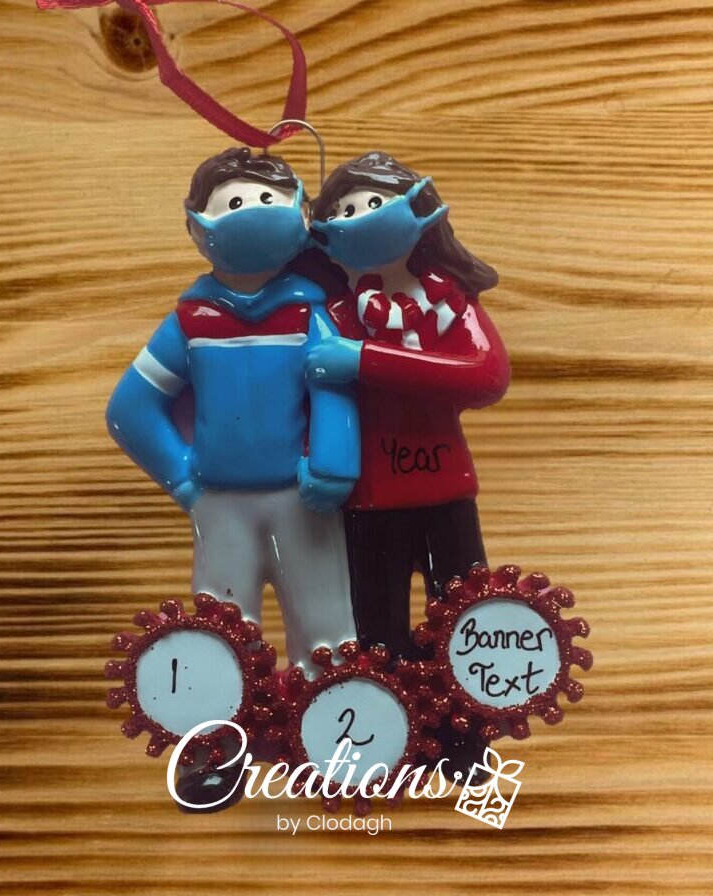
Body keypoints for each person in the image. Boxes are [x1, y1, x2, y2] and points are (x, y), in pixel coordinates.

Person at [106, 147, 360, 811]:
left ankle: (337, 744)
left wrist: (334, 464)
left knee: (326, 622)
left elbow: (335, 388)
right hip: (219, 505)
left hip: (304, 500)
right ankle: (218, 751)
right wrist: (182, 480)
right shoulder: (191, 323)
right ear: (197, 226)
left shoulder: (311, 314)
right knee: (220, 635)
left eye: (270, 199)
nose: (254, 213)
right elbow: (130, 407)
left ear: (301, 215)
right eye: (235, 202)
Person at [307, 151, 511, 772]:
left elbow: (486, 375)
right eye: (344, 210)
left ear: (418, 214)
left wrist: (366, 361)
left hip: (447, 490)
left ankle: (464, 738)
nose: (359, 218)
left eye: (372, 203)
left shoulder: (452, 305)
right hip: (371, 498)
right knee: (379, 630)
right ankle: (392, 741)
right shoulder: (336, 317)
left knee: (465, 615)